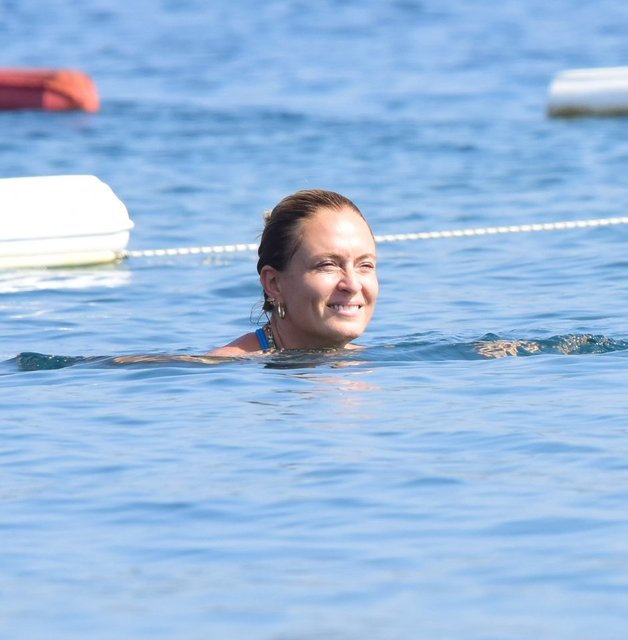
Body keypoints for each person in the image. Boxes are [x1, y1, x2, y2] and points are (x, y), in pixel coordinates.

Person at [208, 189, 379, 356]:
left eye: (365, 265)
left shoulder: (372, 362)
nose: (353, 285)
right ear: (274, 283)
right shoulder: (223, 366)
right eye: (328, 265)